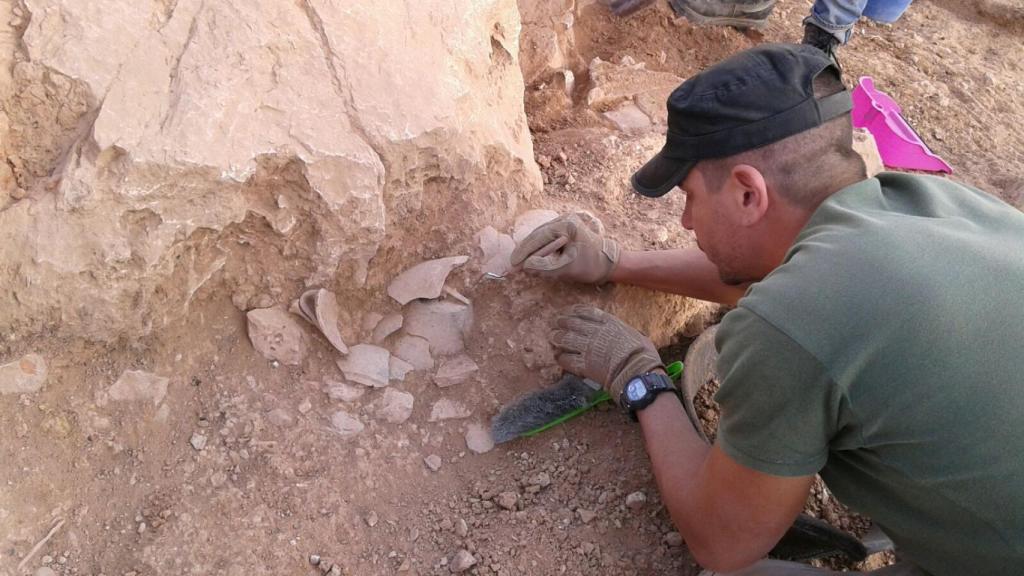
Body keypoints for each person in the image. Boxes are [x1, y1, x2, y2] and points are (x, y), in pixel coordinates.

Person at [510, 43, 1024, 575]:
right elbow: (799, 291)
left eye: (688, 196)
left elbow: (722, 543)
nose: (686, 222)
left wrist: (639, 376)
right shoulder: (941, 205)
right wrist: (613, 262)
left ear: (748, 195)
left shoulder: (795, 320)